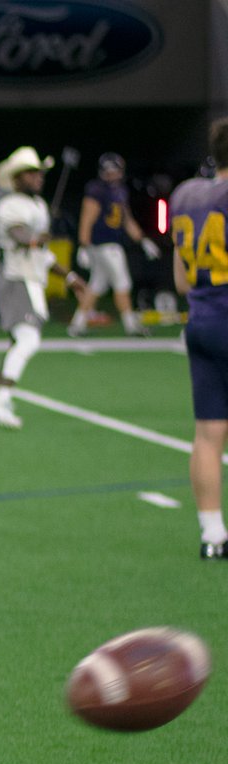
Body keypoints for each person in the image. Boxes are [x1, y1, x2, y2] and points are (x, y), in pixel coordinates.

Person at [0, 147, 86, 429]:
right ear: (16, 177)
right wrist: (36, 238)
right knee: (28, 340)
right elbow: (20, 235)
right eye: (31, 172)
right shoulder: (9, 205)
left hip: (33, 279)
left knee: (18, 343)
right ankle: (2, 400)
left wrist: (69, 275)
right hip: (16, 278)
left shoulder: (38, 206)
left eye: (39, 172)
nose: (38, 177)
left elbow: (43, 253)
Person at [170, 118, 228, 559]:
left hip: (202, 321)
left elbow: (182, 281)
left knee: (209, 433)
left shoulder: (186, 195)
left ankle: (212, 534)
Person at [67, 152, 161, 338]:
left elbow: (126, 219)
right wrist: (83, 245)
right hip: (103, 244)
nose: (112, 175)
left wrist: (143, 240)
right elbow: (87, 217)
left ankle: (77, 324)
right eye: (108, 171)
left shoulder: (120, 191)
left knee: (97, 285)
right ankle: (130, 325)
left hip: (110, 244)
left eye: (115, 171)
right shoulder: (97, 190)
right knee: (122, 282)